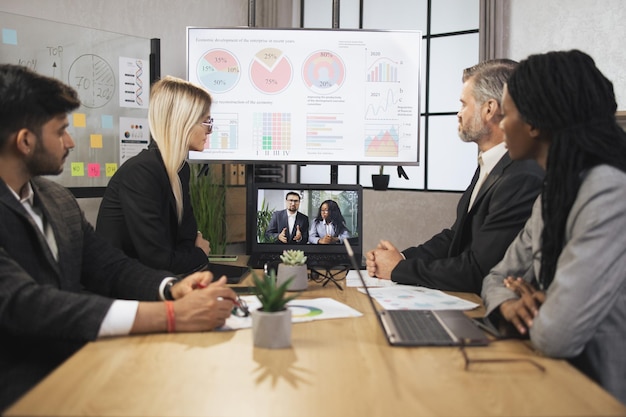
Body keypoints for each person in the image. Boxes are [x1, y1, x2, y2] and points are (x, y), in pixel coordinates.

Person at [0, 64, 238, 411]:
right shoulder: (142, 173)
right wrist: (172, 316)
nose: (70, 142)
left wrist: (172, 288)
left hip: (83, 362)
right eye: (61, 131)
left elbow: (110, 267)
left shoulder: (57, 200)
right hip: (23, 387)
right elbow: (26, 304)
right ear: (25, 141)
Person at [481, 50, 626, 405]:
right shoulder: (554, 193)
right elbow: (495, 278)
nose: (500, 126)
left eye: (507, 113)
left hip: (600, 394)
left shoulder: (608, 192)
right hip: (555, 379)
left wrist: (544, 307)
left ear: (533, 124)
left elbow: (557, 335)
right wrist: (510, 307)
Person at [366, 59, 544, 294]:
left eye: (463, 104)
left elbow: (478, 270)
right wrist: (400, 258)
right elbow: (456, 238)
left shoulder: (522, 175)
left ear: (489, 109)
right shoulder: (489, 162)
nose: (459, 114)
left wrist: (400, 269)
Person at [96, 76, 212, 276]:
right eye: (206, 121)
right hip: (126, 294)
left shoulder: (179, 169)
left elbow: (185, 238)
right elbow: (159, 260)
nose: (210, 130)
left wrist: (189, 252)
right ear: (182, 122)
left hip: (155, 284)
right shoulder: (142, 172)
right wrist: (199, 253)